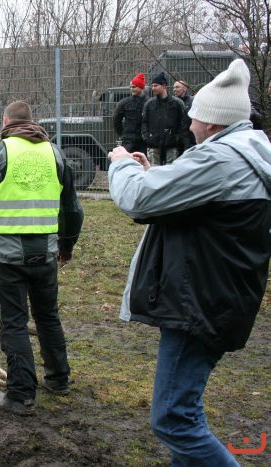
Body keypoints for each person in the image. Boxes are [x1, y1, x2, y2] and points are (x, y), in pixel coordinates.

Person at [108, 59, 270, 466]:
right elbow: (199, 200)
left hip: (199, 302)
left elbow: (138, 199)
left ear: (211, 122)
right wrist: (156, 173)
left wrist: (122, 164)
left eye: (195, 115)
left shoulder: (221, 160)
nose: (190, 121)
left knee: (174, 419)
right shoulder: (248, 152)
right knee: (183, 414)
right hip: (219, 296)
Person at [0, 100, 84, 415]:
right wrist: (66, 246)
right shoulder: (55, 154)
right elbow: (73, 209)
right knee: (48, 316)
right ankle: (59, 379)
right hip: (47, 254)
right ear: (32, 122)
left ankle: (21, 395)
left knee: (14, 323)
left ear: (5, 122)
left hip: (9, 257)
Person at [141, 72, 186, 165]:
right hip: (154, 145)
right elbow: (144, 123)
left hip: (172, 145)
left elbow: (183, 123)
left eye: (155, 85)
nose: (153, 88)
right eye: (152, 86)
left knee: (171, 170)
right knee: (154, 170)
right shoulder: (149, 104)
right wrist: (148, 138)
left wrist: (177, 138)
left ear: (164, 86)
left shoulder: (177, 103)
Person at [113, 73, 147, 154]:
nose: (132, 89)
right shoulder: (124, 103)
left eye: (134, 87)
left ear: (141, 87)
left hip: (143, 140)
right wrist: (123, 134)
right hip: (128, 140)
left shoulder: (149, 103)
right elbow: (116, 121)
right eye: (131, 87)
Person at [173, 79, 196, 152]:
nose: (174, 89)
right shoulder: (172, 102)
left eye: (177, 87)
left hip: (190, 139)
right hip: (176, 140)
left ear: (185, 88)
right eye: (174, 87)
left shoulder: (193, 101)